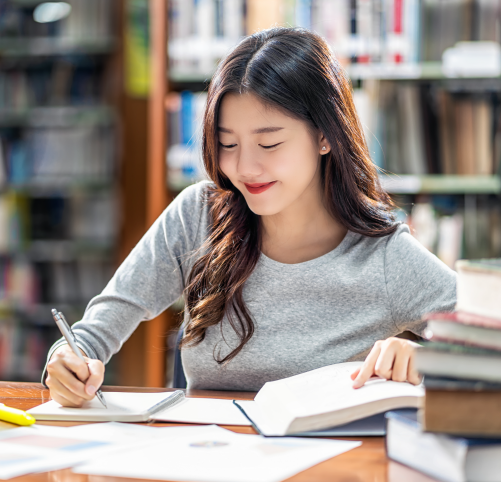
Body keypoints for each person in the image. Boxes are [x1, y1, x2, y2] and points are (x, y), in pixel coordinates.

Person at [44, 27, 456, 407]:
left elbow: (489, 347)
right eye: (227, 144)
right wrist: (67, 361)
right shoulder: (197, 216)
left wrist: (428, 358)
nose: (244, 168)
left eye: (269, 143)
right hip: (210, 468)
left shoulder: (383, 256)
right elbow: (90, 336)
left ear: (326, 136)